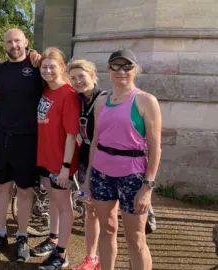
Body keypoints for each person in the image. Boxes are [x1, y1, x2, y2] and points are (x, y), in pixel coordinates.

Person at [82, 49, 162, 270]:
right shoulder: (101, 102)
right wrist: (88, 180)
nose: (121, 71)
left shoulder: (146, 101)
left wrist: (148, 187)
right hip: (101, 174)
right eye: (116, 66)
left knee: (135, 239)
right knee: (107, 230)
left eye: (127, 66)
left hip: (133, 176)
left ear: (135, 70)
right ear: (108, 71)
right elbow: (95, 142)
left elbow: (155, 149)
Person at [0, 28, 44, 263]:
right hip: (1, 136)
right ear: (4, 45)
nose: (14, 45)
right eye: (9, 41)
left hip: (28, 138)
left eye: (17, 40)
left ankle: (21, 236)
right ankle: (0, 234)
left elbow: (59, 68)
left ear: (26, 42)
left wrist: (41, 56)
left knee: (24, 190)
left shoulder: (38, 67)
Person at [23, 47, 79, 269]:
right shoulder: (46, 91)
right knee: (54, 202)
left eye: (52, 67)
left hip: (60, 160)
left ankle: (62, 254)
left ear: (62, 68)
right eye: (44, 67)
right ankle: (53, 238)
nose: (47, 70)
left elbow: (71, 135)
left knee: (64, 206)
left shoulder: (68, 94)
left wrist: (65, 167)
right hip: (45, 157)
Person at [67, 59, 106, 270]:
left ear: (92, 75)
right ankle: (91, 258)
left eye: (81, 76)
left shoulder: (104, 98)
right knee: (90, 211)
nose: (78, 81)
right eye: (73, 78)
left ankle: (105, 259)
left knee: (106, 215)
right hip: (84, 160)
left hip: (104, 163)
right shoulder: (78, 99)